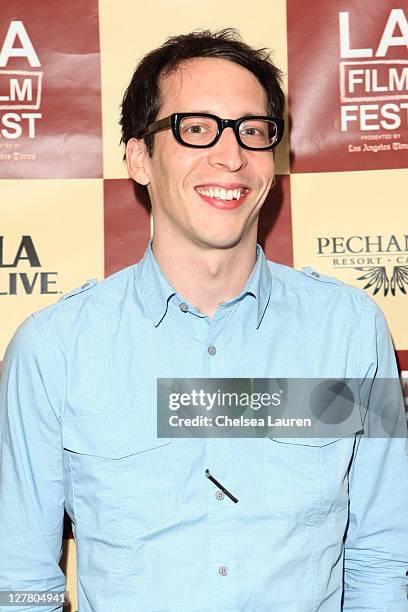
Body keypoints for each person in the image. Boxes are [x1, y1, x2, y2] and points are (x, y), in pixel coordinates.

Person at [0, 29, 407, 612]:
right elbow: (21, 584)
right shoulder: (52, 349)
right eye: (196, 128)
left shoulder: (349, 329)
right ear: (139, 156)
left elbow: (383, 556)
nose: (231, 155)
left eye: (254, 131)